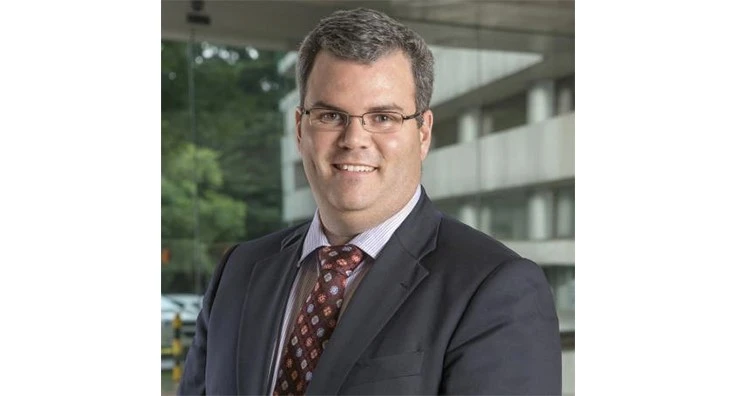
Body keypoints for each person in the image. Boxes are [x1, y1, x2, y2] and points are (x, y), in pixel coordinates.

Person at [179, 7, 561, 396]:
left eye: (382, 117)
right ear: (300, 128)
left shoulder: (495, 288)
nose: (354, 139)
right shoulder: (239, 271)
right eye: (330, 115)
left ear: (423, 133)